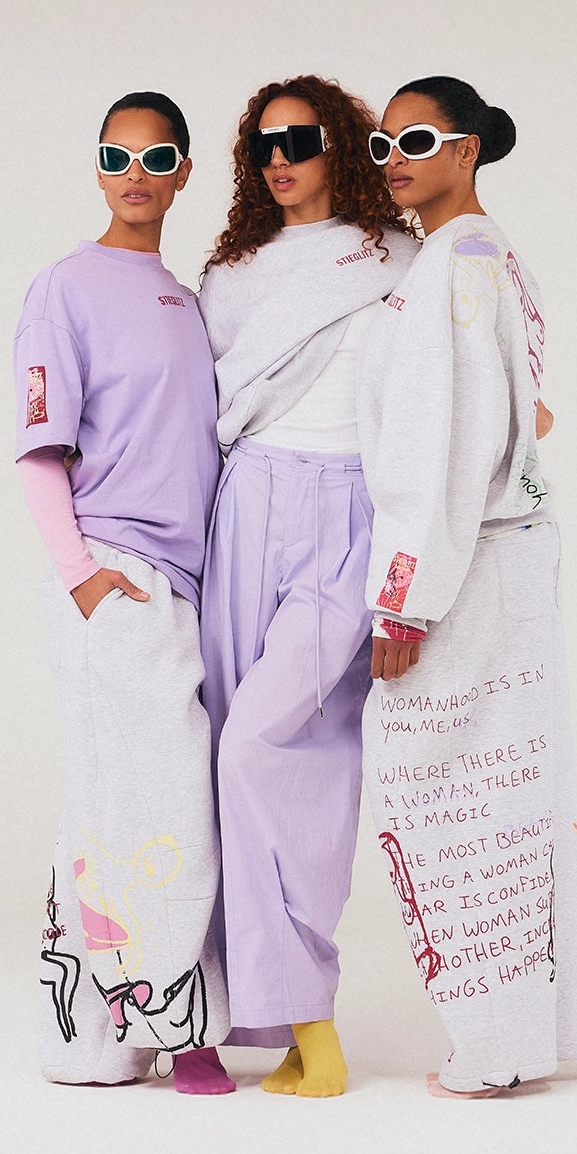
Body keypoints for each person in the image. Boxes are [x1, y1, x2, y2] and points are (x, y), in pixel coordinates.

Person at [357, 76, 577, 1097]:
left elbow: (439, 443)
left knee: (450, 795)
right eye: (381, 145)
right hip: (508, 553)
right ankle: (520, 1037)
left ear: (467, 149)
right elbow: (523, 414)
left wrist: (403, 597)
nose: (393, 160)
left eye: (416, 140)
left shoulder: (455, 262)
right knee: (510, 788)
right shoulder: (489, 255)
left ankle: (494, 1048)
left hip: (468, 563)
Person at [195, 75, 418, 1098]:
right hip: (245, 505)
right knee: (225, 755)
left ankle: (311, 1014)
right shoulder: (231, 274)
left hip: (349, 511)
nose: (280, 159)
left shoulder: (397, 257)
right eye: (263, 144)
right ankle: (259, 1020)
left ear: (342, 146)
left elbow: (436, 397)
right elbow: (194, 405)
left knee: (291, 752)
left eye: (301, 139)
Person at [15, 92, 235, 1093]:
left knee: (117, 800)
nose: (134, 174)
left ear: (184, 171)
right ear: (98, 169)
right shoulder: (66, 287)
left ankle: (93, 1040)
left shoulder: (185, 300)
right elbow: (39, 449)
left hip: (184, 583)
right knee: (160, 796)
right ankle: (182, 1028)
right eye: (116, 156)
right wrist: (84, 579)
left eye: (155, 158)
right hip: (117, 573)